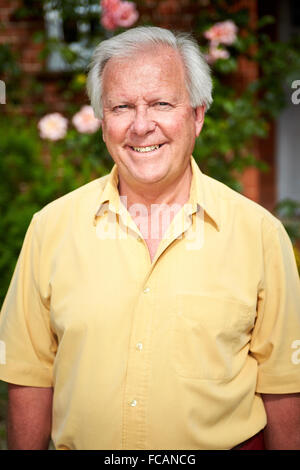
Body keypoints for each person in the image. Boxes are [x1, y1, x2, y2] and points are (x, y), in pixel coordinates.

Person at [0, 26, 300, 451]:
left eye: (161, 103)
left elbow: (285, 383)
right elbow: (29, 373)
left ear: (197, 114)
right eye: (122, 106)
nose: (142, 126)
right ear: (104, 122)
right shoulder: (50, 228)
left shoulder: (260, 235)